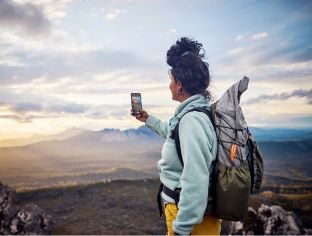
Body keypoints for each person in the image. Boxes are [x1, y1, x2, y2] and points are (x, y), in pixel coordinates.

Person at [131, 37, 220, 235]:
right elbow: (174, 134)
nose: (169, 85)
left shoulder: (192, 121)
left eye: (171, 81)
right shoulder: (193, 114)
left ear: (179, 85)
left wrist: (181, 229)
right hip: (189, 216)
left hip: (190, 222)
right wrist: (148, 120)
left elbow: (196, 179)